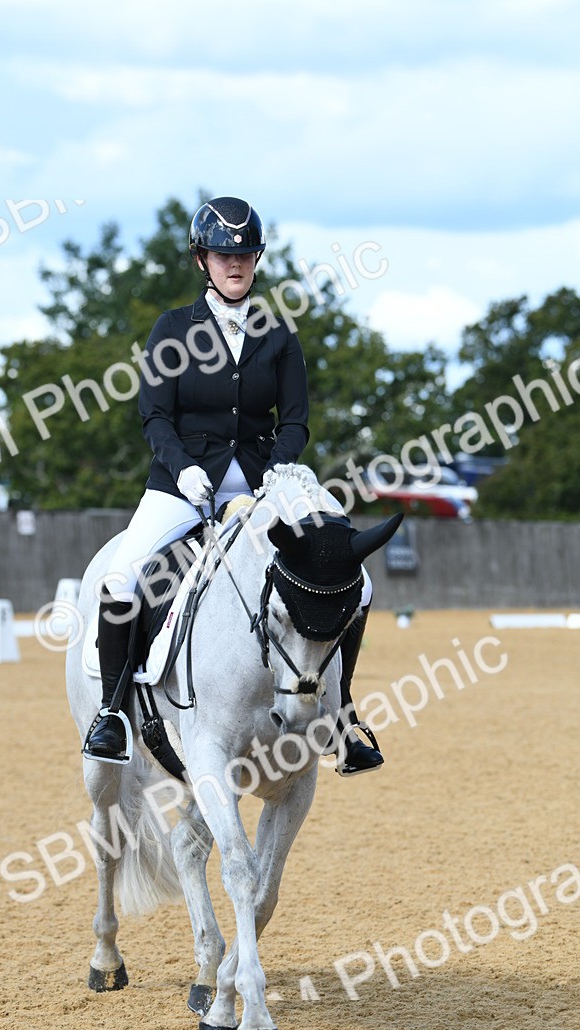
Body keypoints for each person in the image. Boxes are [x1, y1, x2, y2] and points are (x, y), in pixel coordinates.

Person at [83, 196, 382, 775]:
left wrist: (281, 465)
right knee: (122, 577)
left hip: (266, 480)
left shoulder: (277, 333)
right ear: (203, 259)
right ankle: (113, 714)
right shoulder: (172, 328)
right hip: (181, 480)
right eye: (224, 254)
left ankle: (341, 714)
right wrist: (182, 466)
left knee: (358, 581)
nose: (235, 263)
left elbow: (295, 419)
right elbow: (154, 416)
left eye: (245, 254)